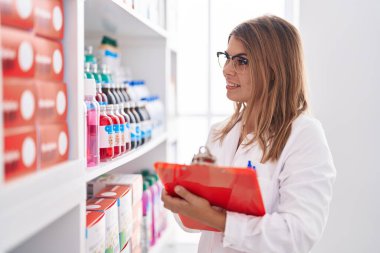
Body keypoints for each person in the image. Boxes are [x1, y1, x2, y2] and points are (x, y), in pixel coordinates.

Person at [161, 15, 336, 253]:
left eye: (241, 61)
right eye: (227, 58)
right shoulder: (220, 133)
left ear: (274, 69)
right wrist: (182, 201)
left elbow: (298, 234)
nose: (226, 70)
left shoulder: (304, 135)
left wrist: (217, 219)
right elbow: (196, 224)